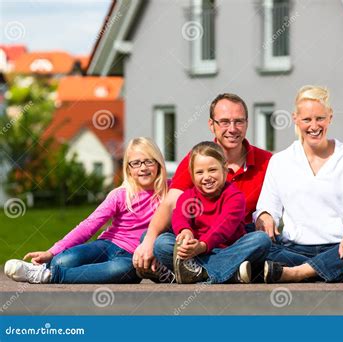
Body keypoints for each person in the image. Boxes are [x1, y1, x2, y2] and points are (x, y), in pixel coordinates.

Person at [254, 85, 343, 283]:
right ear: (295, 119)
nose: (314, 126)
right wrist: (265, 215)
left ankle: (299, 273)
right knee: (258, 245)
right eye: (307, 119)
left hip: (341, 246)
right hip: (294, 248)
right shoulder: (280, 161)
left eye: (320, 118)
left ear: (330, 117)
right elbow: (267, 207)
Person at [134, 93, 272, 279]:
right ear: (211, 125)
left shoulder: (268, 161)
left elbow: (282, 200)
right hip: (197, 238)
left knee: (261, 240)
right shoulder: (197, 158)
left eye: (238, 121)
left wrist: (267, 213)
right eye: (224, 122)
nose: (232, 129)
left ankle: (198, 272)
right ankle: (229, 272)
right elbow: (173, 205)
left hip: (235, 239)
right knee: (159, 243)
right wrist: (154, 238)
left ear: (247, 123)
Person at [4, 137, 174, 284]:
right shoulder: (120, 195)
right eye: (136, 163)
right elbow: (88, 225)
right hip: (107, 245)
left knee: (122, 269)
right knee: (62, 261)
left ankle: (48, 276)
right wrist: (51, 252)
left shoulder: (172, 191)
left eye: (148, 161)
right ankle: (43, 268)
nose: (143, 168)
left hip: (131, 258)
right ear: (128, 169)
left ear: (158, 163)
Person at [154, 141, 271, 284]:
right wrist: (185, 231)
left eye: (212, 170)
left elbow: (223, 228)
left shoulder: (235, 197)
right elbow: (179, 216)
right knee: (162, 243)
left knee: (261, 239)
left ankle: (201, 273)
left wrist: (202, 245)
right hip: (194, 252)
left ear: (225, 170)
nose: (206, 177)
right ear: (192, 175)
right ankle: (229, 273)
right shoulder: (189, 196)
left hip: (229, 250)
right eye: (199, 172)